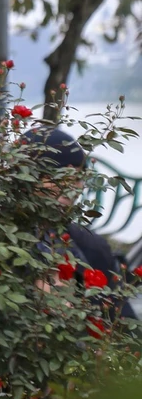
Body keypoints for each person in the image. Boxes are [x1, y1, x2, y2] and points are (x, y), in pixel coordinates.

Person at [26, 127, 134, 320]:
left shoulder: (92, 248)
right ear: (26, 179)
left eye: (77, 177)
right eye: (58, 177)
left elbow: (124, 327)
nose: (70, 187)